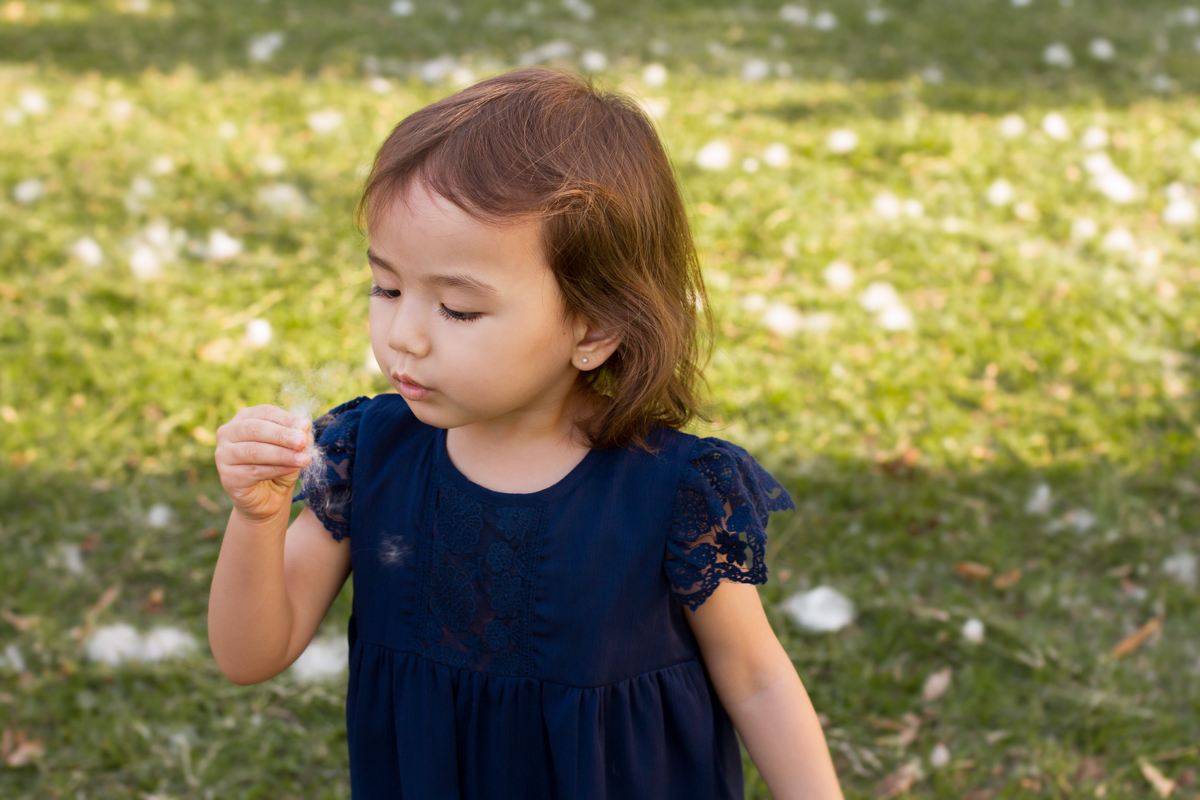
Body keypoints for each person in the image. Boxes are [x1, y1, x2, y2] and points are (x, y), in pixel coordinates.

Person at [208, 67, 844, 800]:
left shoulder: (671, 492)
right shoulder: (368, 456)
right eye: (387, 288)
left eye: (458, 309)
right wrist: (256, 519)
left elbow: (757, 681)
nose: (404, 334)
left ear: (594, 328)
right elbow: (249, 655)